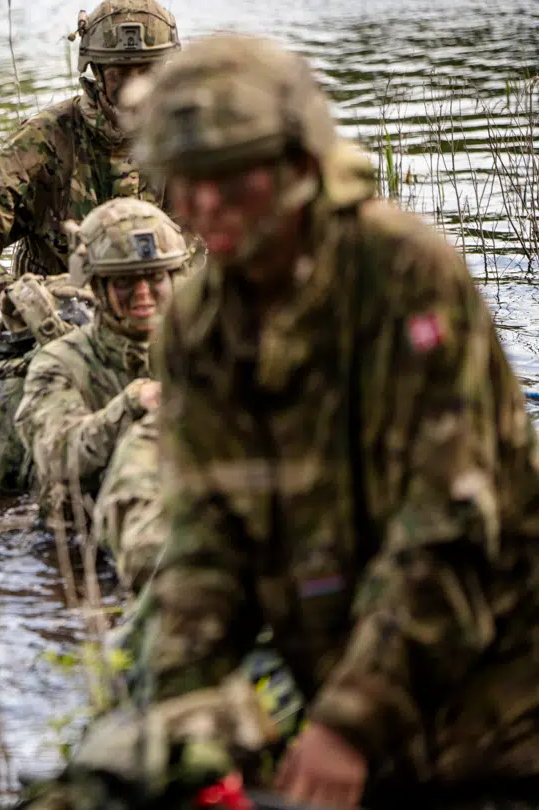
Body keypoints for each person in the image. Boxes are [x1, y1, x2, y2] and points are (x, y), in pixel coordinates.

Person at [134, 34, 539, 810]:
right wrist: (186, 717)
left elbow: (452, 524)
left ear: (298, 164)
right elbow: (205, 540)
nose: (207, 206)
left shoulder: (402, 272)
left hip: (502, 713)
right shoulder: (197, 326)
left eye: (233, 179)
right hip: (342, 689)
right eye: (187, 183)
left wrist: (350, 722)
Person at [0, 0, 179, 309]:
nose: (134, 86)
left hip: (169, 312)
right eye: (119, 72)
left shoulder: (186, 136)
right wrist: (6, 291)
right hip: (66, 314)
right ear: (97, 71)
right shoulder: (46, 138)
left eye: (146, 71)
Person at [12, 197, 185, 588]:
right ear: (98, 287)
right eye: (125, 282)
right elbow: (57, 453)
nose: (143, 294)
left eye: (155, 278)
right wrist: (132, 405)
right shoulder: (62, 361)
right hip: (85, 538)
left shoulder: (203, 344)